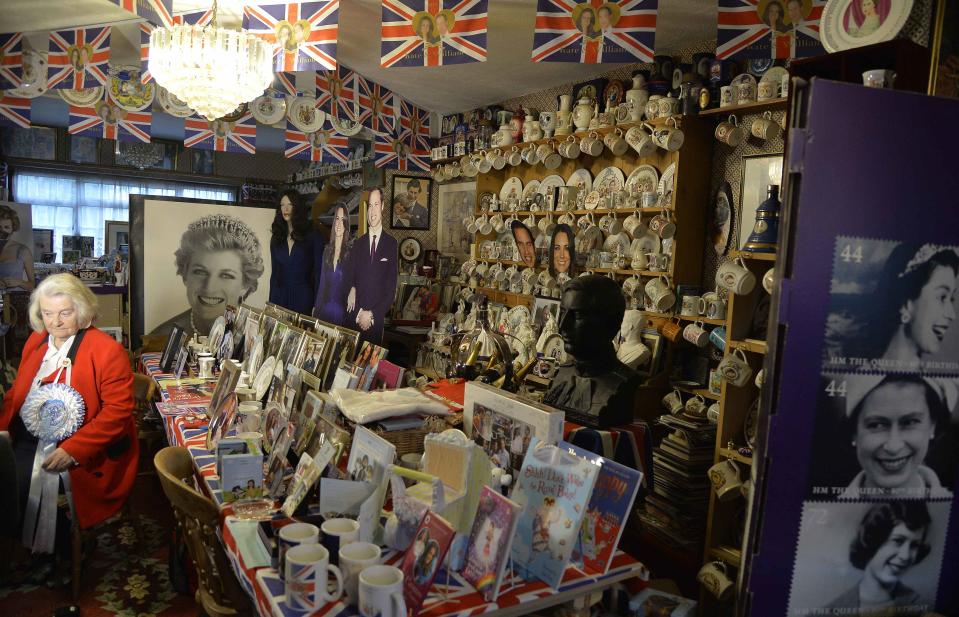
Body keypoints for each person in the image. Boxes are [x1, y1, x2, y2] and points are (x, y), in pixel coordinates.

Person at [1, 274, 138, 547]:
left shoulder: (107, 350)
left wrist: (73, 450)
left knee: (25, 482)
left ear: (83, 310)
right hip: (28, 437)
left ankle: (58, 552)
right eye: (48, 313)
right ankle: (22, 547)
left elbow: (118, 413)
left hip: (85, 447)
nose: (55, 321)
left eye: (65, 312)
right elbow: (18, 393)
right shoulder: (36, 342)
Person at [544, 275, 640, 428]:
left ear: (610, 323)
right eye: (562, 312)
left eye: (578, 315)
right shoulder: (561, 373)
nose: (562, 325)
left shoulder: (623, 383)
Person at [150, 214, 265, 339]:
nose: (209, 287)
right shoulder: (160, 337)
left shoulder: (260, 341)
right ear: (185, 276)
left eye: (226, 275)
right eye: (200, 272)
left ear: (245, 285)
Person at [840, 375, 952, 499]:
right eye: (876, 425)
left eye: (910, 422)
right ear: (854, 433)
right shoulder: (826, 514)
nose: (894, 447)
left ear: (933, 426)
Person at [863, 244, 959, 371]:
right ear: (905, 305)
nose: (952, 314)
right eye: (942, 297)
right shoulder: (855, 386)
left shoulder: (948, 389)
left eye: (951, 299)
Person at [825, 502, 931, 611]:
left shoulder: (925, 609)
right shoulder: (827, 613)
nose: (905, 556)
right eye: (898, 541)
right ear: (873, 540)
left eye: (914, 546)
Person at [347, 188, 398, 346]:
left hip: (375, 324)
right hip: (353, 322)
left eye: (376, 204)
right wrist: (360, 314)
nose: (373, 210)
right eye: (370, 205)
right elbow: (348, 282)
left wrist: (372, 315)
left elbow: (391, 290)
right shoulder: (357, 244)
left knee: (371, 369)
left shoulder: (391, 244)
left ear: (382, 206)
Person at [269, 190, 323, 316]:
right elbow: (275, 274)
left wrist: (317, 303)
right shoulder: (277, 237)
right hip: (279, 297)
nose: (285, 209)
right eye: (282, 205)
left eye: (290, 204)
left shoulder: (313, 235)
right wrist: (271, 303)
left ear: (297, 207)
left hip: (303, 298)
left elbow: (318, 272)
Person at [314, 202, 352, 327]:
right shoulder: (327, 251)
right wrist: (316, 314)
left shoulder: (350, 254)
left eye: (343, 220)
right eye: (337, 219)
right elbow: (322, 285)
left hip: (342, 316)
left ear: (346, 224)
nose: (339, 224)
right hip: (324, 312)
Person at [0, 204, 35, 292]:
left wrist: (20, 282)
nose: (2, 231)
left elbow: (33, 285)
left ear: (13, 229)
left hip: (12, 302)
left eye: (7, 227)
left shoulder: (23, 250)